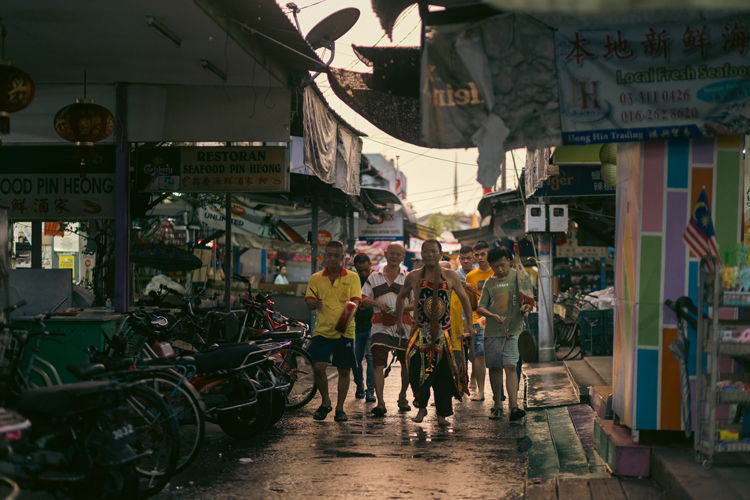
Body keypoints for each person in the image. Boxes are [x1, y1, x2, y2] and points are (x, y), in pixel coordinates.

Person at [396, 240, 474, 426]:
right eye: (426, 251)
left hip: (444, 336)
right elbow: (401, 297)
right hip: (420, 334)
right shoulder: (413, 276)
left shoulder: (451, 276)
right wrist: (399, 321)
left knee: (444, 377)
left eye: (434, 252)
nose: (430, 255)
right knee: (417, 373)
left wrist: (469, 325)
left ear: (440, 255)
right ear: (421, 254)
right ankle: (422, 408)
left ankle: (441, 414)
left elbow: (465, 299)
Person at [305, 241, 362, 422]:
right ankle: (325, 402)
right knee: (318, 367)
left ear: (342, 257)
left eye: (336, 255)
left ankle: (340, 408)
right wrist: (314, 303)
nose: (332, 258)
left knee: (344, 371)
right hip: (321, 330)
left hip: (344, 331)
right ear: (324, 255)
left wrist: (341, 325)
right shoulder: (316, 278)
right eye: (328, 255)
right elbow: (308, 302)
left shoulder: (352, 277)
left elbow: (355, 303)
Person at [476, 247, 531, 421]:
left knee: (511, 366)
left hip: (514, 330)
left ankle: (514, 407)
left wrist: (526, 308)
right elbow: (480, 307)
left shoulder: (520, 277)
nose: (499, 270)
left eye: (501, 266)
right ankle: (498, 404)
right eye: (494, 267)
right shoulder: (489, 283)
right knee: (495, 367)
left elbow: (528, 301)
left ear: (509, 260)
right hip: (492, 331)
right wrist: (491, 315)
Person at [361, 243, 414, 417]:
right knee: (378, 363)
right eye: (391, 253)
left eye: (398, 254)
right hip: (379, 326)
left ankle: (403, 396)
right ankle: (380, 402)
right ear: (385, 254)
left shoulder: (408, 277)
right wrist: (377, 303)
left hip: (405, 326)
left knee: (407, 364)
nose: (394, 256)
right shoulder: (374, 277)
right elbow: (363, 300)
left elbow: (416, 303)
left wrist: (401, 309)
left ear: (403, 256)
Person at [464, 241, 494, 402]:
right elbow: (471, 305)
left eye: (483, 254)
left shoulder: (497, 272)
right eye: (477, 255)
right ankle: (480, 391)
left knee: (496, 357)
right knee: (479, 354)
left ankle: (498, 393)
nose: (479, 257)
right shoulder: (471, 276)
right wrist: (469, 323)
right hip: (478, 321)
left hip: (496, 320)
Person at [352, 253, 376, 402]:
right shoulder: (352, 280)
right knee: (355, 360)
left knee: (371, 358)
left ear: (370, 265)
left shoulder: (375, 278)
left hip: (373, 325)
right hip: (355, 326)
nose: (364, 273)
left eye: (366, 269)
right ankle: (359, 384)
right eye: (360, 270)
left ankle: (370, 391)